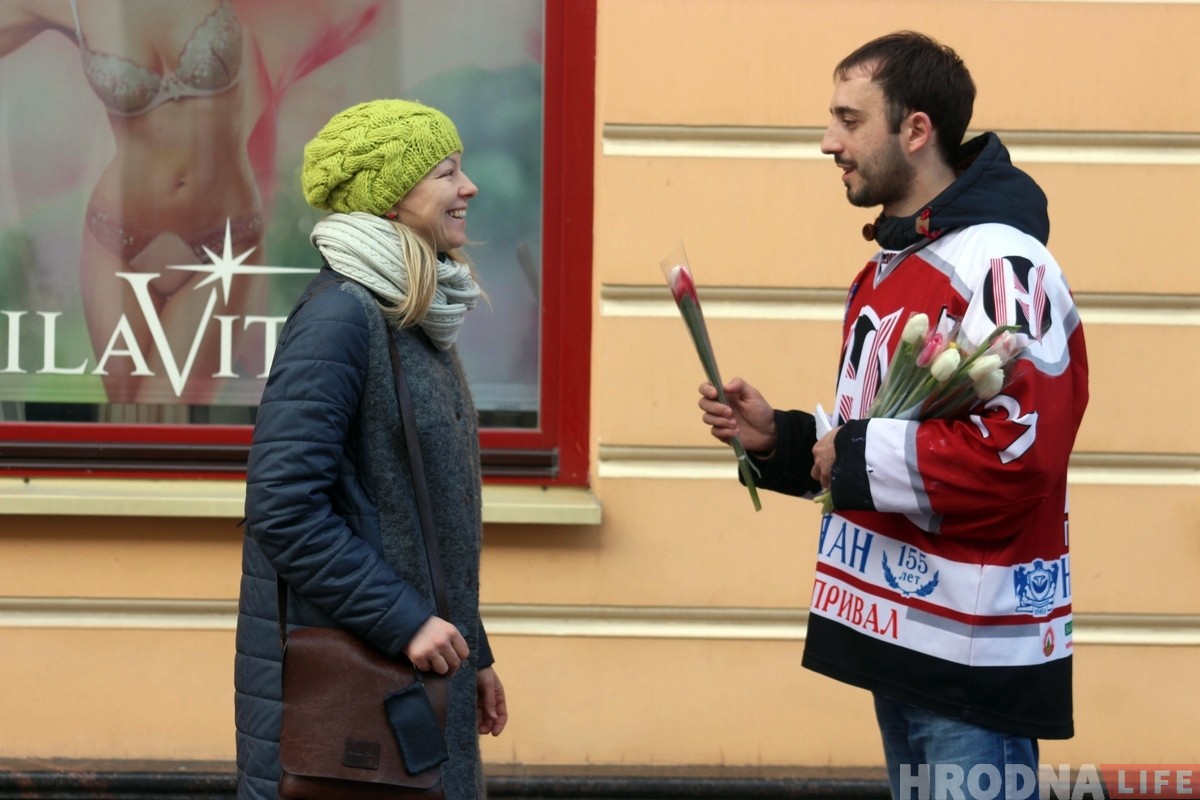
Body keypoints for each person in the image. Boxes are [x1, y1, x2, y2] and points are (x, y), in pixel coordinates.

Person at [698, 32, 1088, 800]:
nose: (827, 142)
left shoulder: (1003, 266)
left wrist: (849, 456)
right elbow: (880, 435)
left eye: (849, 120)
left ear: (916, 130)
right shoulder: (888, 265)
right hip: (906, 645)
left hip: (971, 662)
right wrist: (782, 440)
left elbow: (1017, 454)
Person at [235, 99, 507, 800]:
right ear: (390, 199)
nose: (467, 188)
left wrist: (472, 651)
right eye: (447, 172)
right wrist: (408, 619)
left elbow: (427, 520)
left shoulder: (412, 317)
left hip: (417, 683)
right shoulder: (341, 318)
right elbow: (284, 508)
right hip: (364, 702)